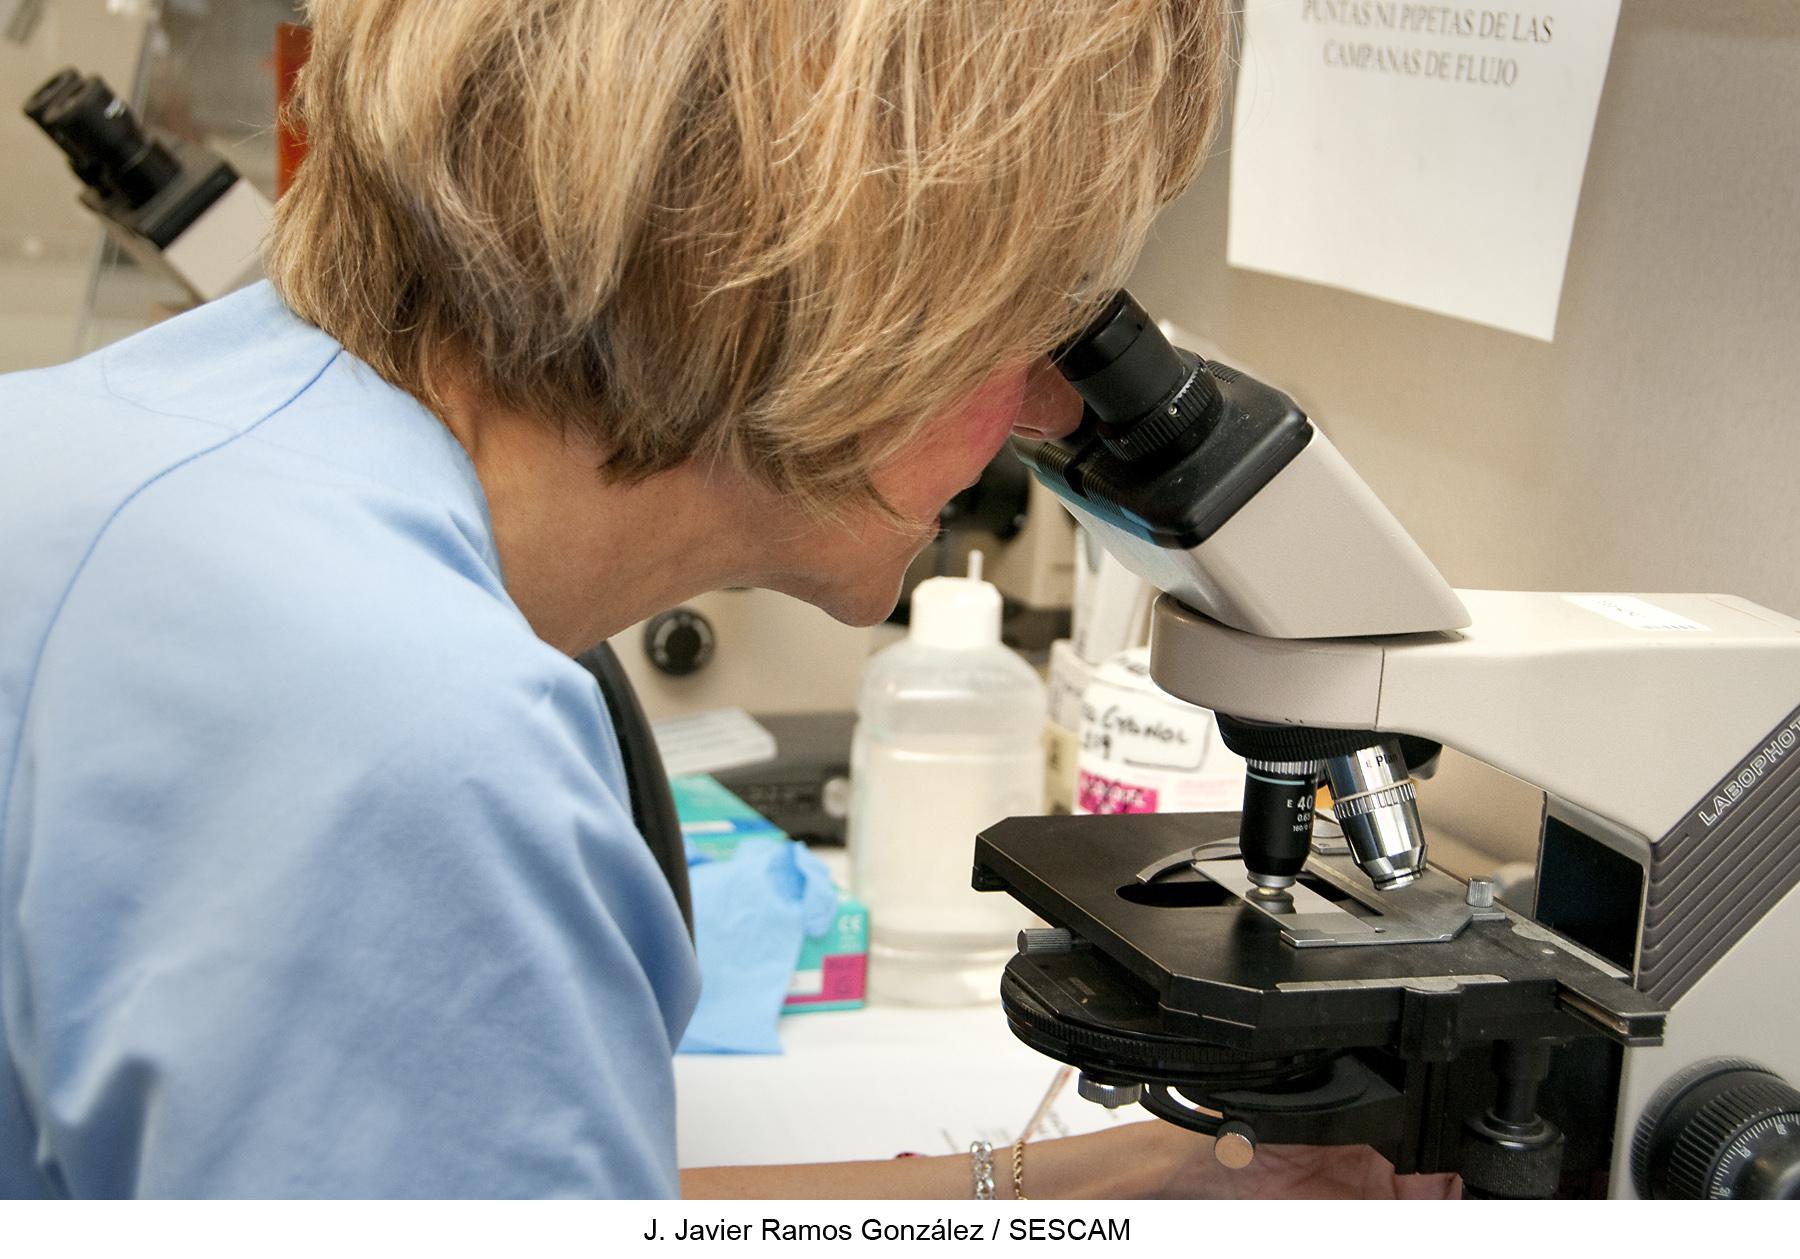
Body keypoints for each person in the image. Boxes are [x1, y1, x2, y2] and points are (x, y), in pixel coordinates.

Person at [0, 0, 1456, 1199]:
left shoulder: (130, 433)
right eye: (1040, 311)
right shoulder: (411, 747)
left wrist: (1051, 1193)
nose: (1049, 410)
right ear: (859, 288)